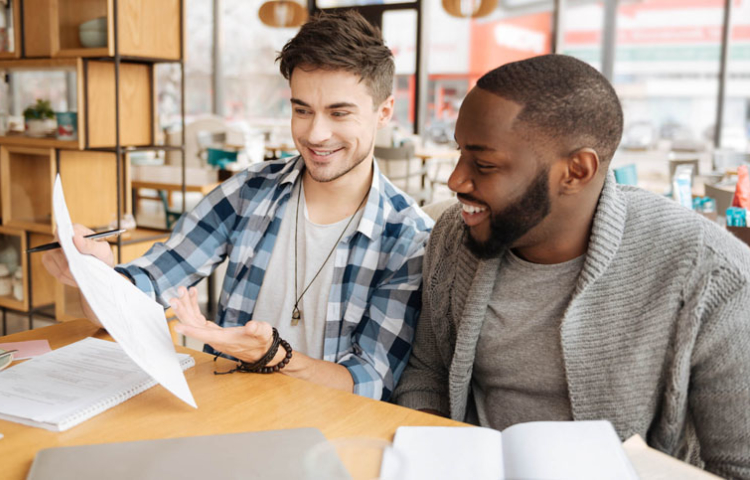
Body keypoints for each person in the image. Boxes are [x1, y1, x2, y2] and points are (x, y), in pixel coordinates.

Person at [44, 11, 432, 402]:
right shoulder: (251, 190)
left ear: (384, 112)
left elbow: (368, 383)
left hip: (330, 436)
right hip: (225, 411)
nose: (316, 133)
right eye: (302, 110)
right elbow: (148, 286)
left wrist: (274, 357)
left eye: (339, 112)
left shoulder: (409, 238)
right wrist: (94, 274)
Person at [393, 54, 750, 478]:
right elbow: (427, 373)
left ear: (576, 171)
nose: (455, 181)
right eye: (459, 153)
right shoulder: (455, 236)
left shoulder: (712, 275)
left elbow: (738, 464)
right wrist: (438, 457)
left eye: (483, 165)